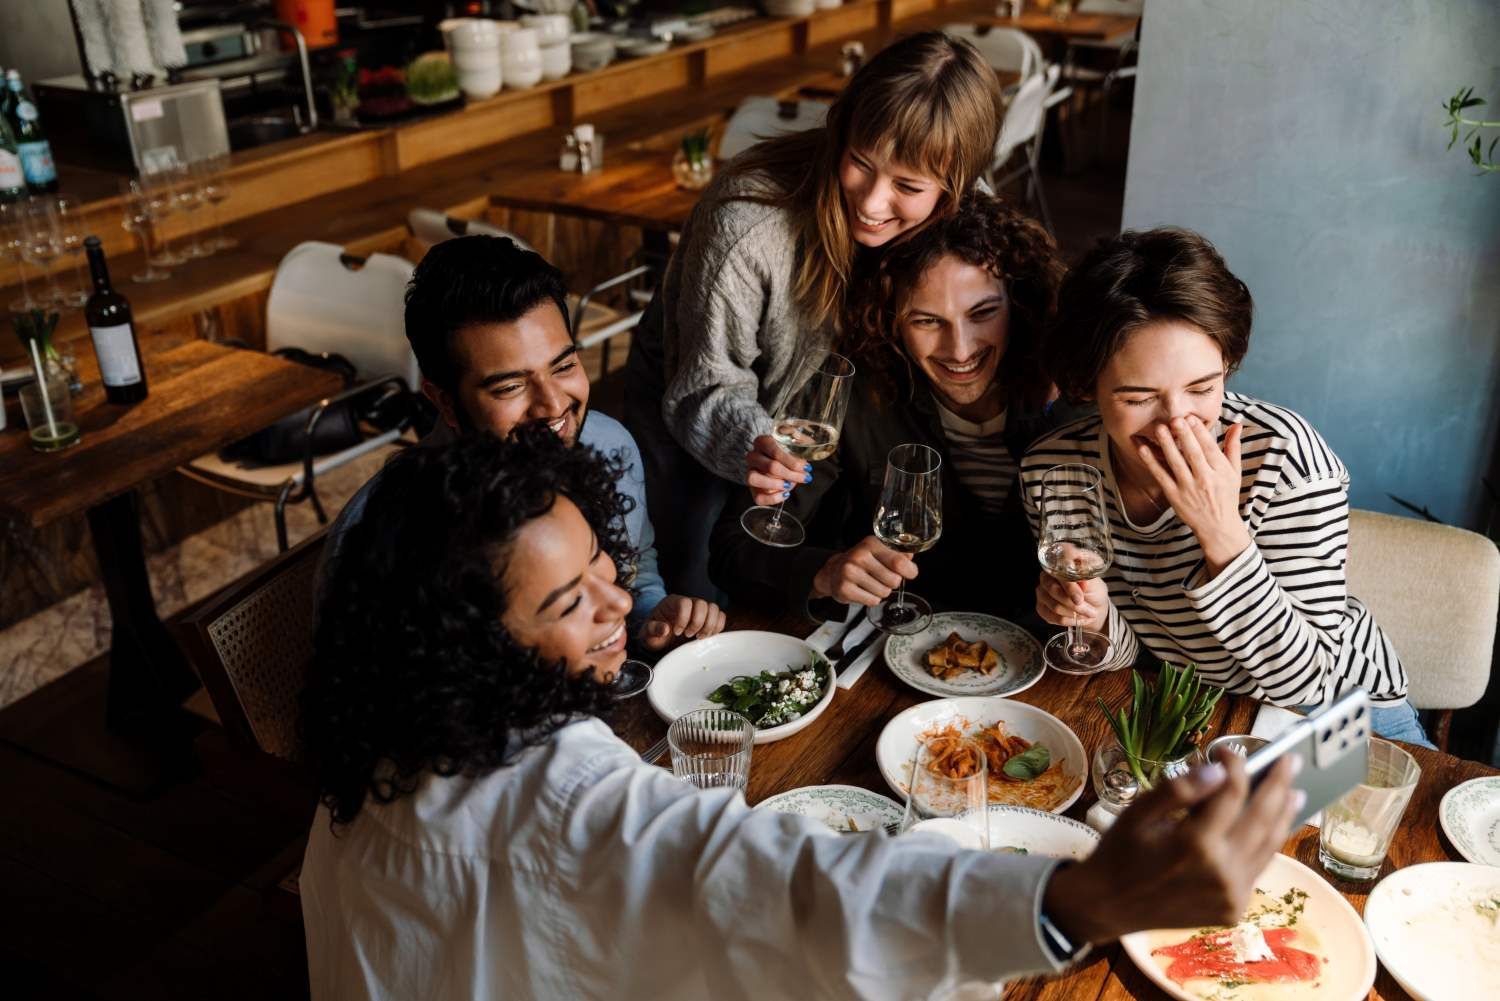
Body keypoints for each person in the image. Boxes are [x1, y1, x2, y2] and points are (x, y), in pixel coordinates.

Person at [300, 428, 1306, 1001]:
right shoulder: (559, 797)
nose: (619, 603)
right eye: (569, 604)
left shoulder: (376, 754)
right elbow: (788, 889)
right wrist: (1074, 902)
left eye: (602, 566)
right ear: (467, 645)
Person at [624, 31, 1006, 601]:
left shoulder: (969, 203)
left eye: (907, 186)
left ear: (952, 188)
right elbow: (706, 383)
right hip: (705, 421)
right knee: (695, 591)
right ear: (840, 129)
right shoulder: (748, 224)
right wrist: (757, 444)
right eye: (860, 163)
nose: (873, 203)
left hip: (827, 426)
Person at [1020, 227, 1429, 746]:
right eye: (1139, 397)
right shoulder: (1055, 471)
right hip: (1189, 708)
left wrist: (1220, 529)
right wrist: (1098, 619)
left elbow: (1305, 683)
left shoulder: (1287, 460)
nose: (1176, 420)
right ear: (1086, 386)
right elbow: (1139, 653)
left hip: (1341, 717)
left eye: (1202, 388)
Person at [325, 234, 724, 649]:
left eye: (564, 365)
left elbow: (635, 570)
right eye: (511, 387)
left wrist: (650, 620)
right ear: (444, 400)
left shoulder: (609, 445)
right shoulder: (381, 535)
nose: (553, 406)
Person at [710, 193, 1070, 622]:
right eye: (926, 321)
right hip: (892, 648)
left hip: (1044, 655)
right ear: (889, 320)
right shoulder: (853, 392)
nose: (960, 349)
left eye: (983, 313)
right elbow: (735, 547)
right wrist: (824, 574)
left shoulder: (1069, 396)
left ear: (1019, 304)